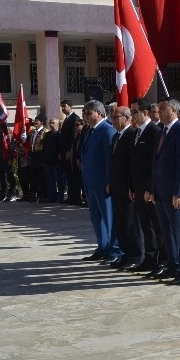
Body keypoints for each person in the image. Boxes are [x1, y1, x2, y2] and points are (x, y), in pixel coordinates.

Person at [145, 98, 180, 285]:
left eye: (162, 109)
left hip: (175, 193)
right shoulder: (163, 131)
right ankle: (173, 265)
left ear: (173, 110)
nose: (158, 111)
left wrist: (179, 192)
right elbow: (155, 163)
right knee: (167, 232)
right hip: (161, 191)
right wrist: (151, 188)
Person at [79, 101, 122, 263]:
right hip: (91, 182)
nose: (85, 115)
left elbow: (109, 159)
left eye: (89, 113)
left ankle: (115, 250)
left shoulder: (107, 130)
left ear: (99, 113)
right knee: (96, 218)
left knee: (109, 218)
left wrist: (109, 180)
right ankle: (103, 247)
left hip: (103, 183)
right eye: (85, 112)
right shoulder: (90, 131)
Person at [129, 101, 161, 274]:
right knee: (145, 227)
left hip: (149, 190)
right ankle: (149, 258)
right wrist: (132, 187)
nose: (132, 115)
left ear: (145, 112)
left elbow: (153, 164)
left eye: (135, 111)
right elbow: (134, 162)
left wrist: (150, 188)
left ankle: (160, 261)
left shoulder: (154, 132)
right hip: (139, 188)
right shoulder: (138, 132)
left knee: (157, 227)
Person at [107, 106, 135, 268]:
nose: (113, 120)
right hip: (117, 186)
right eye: (113, 116)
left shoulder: (131, 135)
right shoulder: (117, 136)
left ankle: (135, 254)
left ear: (126, 118)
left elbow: (132, 163)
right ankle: (126, 253)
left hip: (127, 187)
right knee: (120, 222)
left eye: (116, 117)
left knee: (130, 222)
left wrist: (131, 186)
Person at [59, 100, 80, 204]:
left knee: (73, 175)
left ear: (71, 107)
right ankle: (71, 196)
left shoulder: (75, 118)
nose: (63, 108)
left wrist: (69, 151)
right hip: (64, 151)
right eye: (61, 106)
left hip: (70, 152)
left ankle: (75, 197)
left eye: (64, 106)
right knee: (68, 175)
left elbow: (73, 136)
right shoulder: (66, 119)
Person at [0, 120, 16, 202]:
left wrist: (11, 158)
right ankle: (4, 193)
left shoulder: (9, 132)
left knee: (9, 175)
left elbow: (12, 146)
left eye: (0, 123)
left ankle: (12, 192)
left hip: (7, 157)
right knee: (1, 176)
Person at [42, 118, 63, 202]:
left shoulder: (60, 134)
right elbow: (44, 148)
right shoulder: (47, 134)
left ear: (58, 124)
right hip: (47, 161)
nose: (51, 124)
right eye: (50, 123)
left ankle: (60, 197)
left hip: (56, 161)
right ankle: (52, 197)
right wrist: (43, 160)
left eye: (53, 123)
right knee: (50, 180)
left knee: (59, 180)